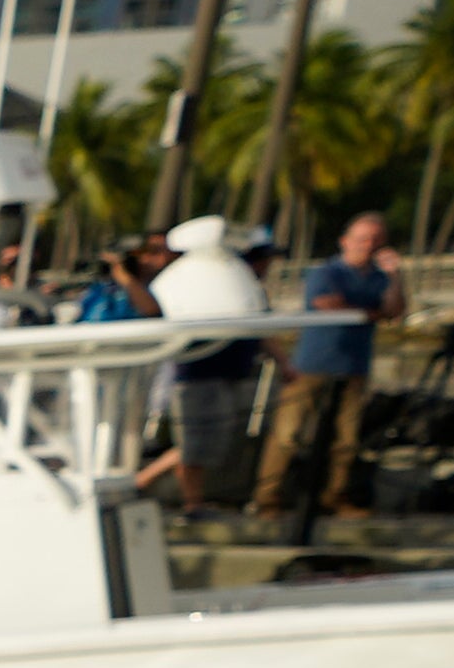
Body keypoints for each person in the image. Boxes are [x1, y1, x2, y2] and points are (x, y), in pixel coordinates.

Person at [254, 211, 404, 530]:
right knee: (288, 434)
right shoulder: (326, 271)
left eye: (375, 240)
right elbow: (327, 304)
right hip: (311, 363)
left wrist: (395, 277)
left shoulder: (378, 277)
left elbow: (395, 311)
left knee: (347, 438)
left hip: (354, 367)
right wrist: (371, 314)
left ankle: (335, 497)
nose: (368, 245)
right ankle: (267, 498)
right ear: (345, 241)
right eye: (363, 239)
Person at [155, 215, 271, 513]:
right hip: (198, 374)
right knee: (195, 443)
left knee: (205, 442)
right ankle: (187, 500)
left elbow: (261, 327)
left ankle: (184, 497)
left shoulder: (234, 276)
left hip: (229, 372)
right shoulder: (195, 278)